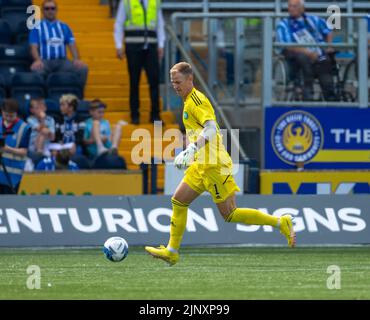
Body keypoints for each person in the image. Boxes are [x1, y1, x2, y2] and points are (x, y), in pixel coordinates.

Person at [145, 62, 296, 265]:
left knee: (230, 214)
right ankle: (172, 251)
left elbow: (211, 129)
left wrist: (191, 150)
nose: (175, 86)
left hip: (214, 165)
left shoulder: (197, 101)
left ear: (190, 79)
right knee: (178, 201)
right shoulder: (187, 100)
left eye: (178, 82)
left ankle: (280, 222)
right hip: (201, 164)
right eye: (172, 82)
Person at [114, 0, 165, 124]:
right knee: (134, 82)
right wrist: (119, 45)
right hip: (133, 46)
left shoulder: (155, 2)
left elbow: (160, 24)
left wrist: (161, 44)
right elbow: (119, 24)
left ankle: (155, 116)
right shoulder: (126, 2)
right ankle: (135, 115)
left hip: (151, 46)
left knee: (154, 81)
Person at [276, 0, 336, 101]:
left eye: (294, 6)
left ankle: (330, 97)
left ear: (302, 8)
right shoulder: (283, 24)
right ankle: (308, 94)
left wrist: (329, 45)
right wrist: (307, 52)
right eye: (290, 6)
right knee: (303, 58)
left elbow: (328, 30)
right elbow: (286, 45)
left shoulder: (313, 19)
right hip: (297, 56)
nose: (291, 8)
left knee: (325, 60)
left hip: (318, 54)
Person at [29, 0, 88, 91]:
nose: (50, 11)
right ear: (42, 11)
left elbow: (72, 44)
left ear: (56, 10)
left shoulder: (64, 26)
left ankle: (77, 95)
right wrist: (37, 60)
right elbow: (33, 47)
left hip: (62, 62)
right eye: (47, 8)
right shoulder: (36, 27)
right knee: (36, 70)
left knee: (82, 69)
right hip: (45, 61)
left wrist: (76, 59)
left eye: (52, 8)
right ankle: (44, 99)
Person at [0, 99, 31, 194]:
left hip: (12, 177)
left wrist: (7, 149)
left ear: (16, 113)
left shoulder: (24, 128)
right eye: (6, 115)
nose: (8, 118)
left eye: (11, 116)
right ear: (2, 111)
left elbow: (25, 151)